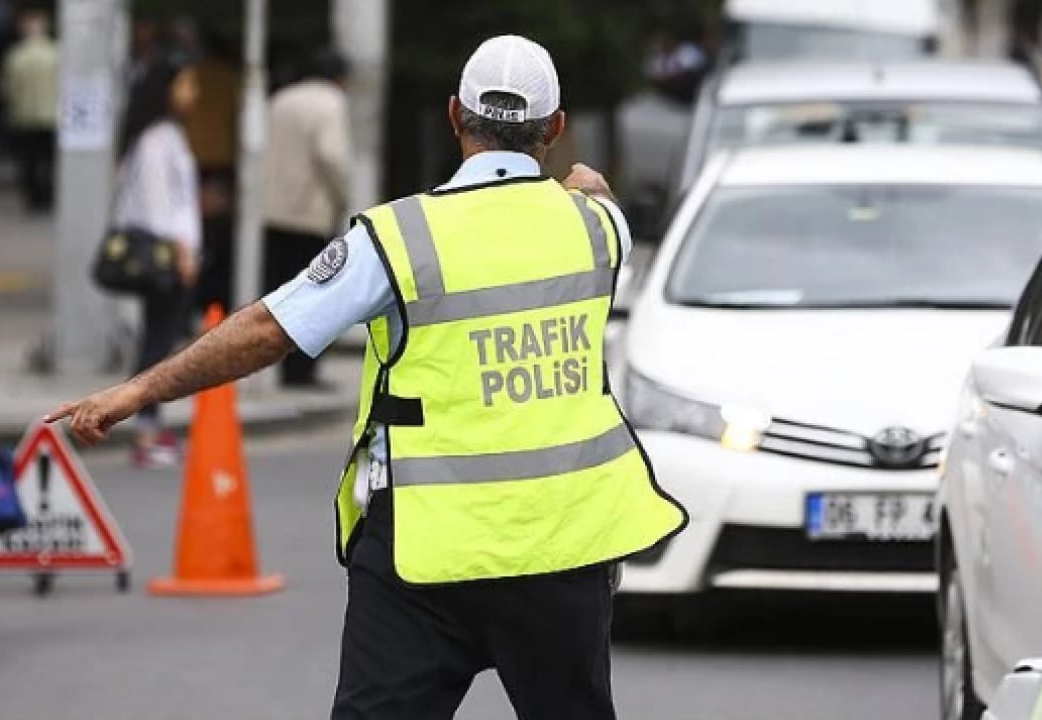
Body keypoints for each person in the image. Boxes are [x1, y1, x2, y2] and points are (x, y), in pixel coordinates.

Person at [47, 35, 687, 719]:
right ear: (555, 128)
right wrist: (579, 185)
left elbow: (268, 330)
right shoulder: (598, 228)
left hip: (424, 552)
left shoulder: (397, 239)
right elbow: (586, 193)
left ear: (453, 116)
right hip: (563, 549)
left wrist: (138, 390)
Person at [110, 60, 202, 468]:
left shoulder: (163, 135)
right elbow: (158, 205)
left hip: (171, 253)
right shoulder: (156, 139)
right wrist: (182, 252)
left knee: (160, 338)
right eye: (186, 82)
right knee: (157, 342)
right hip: (165, 256)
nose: (193, 92)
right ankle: (146, 430)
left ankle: (150, 424)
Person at [260, 48, 353, 389]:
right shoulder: (331, 103)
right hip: (310, 212)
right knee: (315, 294)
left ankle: (284, 367)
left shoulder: (281, 99)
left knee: (281, 292)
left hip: (273, 210)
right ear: (342, 78)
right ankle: (303, 372)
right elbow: (332, 154)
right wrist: (343, 196)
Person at [183, 33, 240, 314]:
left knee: (195, 234)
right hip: (222, 164)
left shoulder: (189, 77)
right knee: (220, 234)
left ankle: (195, 300)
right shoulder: (232, 80)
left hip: (193, 163)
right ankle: (216, 298)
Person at [0, 10, 59, 212]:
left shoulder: (16, 55)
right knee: (49, 159)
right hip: (51, 114)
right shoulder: (56, 53)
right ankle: (48, 195)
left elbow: (7, 87)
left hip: (24, 115)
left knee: (29, 160)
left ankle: (34, 196)